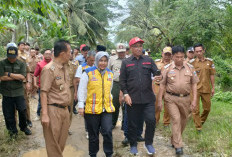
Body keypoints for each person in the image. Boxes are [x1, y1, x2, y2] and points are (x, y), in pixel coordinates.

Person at [119, 37, 162, 155]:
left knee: (151, 120)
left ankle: (149, 143)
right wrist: (126, 94)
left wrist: (159, 77)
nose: (139, 48)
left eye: (140, 46)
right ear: (131, 48)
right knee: (133, 124)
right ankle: (133, 145)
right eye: (136, 46)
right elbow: (122, 81)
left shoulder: (148, 60)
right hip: (132, 99)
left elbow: (156, 73)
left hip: (148, 98)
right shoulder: (126, 62)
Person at [157, 46, 198, 155]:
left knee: (184, 120)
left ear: (184, 56)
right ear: (173, 56)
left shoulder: (190, 68)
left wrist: (194, 100)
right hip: (171, 98)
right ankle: (178, 145)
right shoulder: (167, 68)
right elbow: (162, 85)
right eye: (177, 57)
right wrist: (159, 101)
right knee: (176, 119)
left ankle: (174, 138)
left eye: (181, 57)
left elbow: (194, 84)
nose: (179, 59)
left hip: (186, 98)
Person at [78, 51, 115, 157]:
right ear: (97, 61)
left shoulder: (110, 74)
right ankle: (93, 154)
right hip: (92, 109)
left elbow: (109, 90)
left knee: (107, 131)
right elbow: (82, 90)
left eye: (105, 61)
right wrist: (81, 105)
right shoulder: (88, 72)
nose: (103, 63)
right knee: (93, 135)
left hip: (106, 109)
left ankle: (109, 153)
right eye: (101, 61)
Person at [40, 40, 71, 157]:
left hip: (65, 110)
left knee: (61, 144)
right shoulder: (48, 69)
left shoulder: (64, 68)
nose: (70, 55)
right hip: (53, 110)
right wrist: (44, 114)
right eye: (69, 52)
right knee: (53, 145)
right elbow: (43, 93)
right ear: (63, 53)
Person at [0, 43, 32, 137]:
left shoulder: (21, 63)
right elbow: (2, 78)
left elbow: (22, 77)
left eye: (13, 57)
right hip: (6, 92)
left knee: (22, 110)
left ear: (16, 55)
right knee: (8, 114)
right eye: (10, 57)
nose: (12, 59)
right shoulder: (2, 63)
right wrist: (16, 77)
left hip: (18, 92)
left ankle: (23, 127)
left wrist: (9, 74)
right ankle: (13, 131)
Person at [190, 43, 216, 132]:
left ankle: (200, 121)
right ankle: (198, 128)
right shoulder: (191, 63)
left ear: (204, 50)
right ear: (194, 52)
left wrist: (213, 87)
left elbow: (212, 75)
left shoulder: (210, 62)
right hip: (195, 89)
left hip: (206, 88)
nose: (199, 53)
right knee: (195, 109)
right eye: (197, 51)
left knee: (207, 108)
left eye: (200, 51)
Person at [74, 50, 96, 138]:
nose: (93, 62)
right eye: (91, 60)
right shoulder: (81, 67)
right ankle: (88, 130)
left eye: (94, 60)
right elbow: (77, 79)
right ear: (87, 58)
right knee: (87, 113)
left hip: (94, 93)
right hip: (85, 93)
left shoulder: (97, 67)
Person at [153, 46, 172, 127]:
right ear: (162, 54)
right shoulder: (157, 63)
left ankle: (166, 123)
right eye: (165, 54)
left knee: (168, 105)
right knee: (157, 104)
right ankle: (155, 121)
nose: (167, 56)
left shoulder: (173, 64)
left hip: (169, 87)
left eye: (169, 54)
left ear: (171, 55)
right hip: (158, 86)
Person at [34, 49, 52, 120]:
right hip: (42, 86)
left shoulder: (54, 63)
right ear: (43, 55)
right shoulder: (40, 64)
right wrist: (35, 83)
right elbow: (35, 75)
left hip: (52, 87)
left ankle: (49, 114)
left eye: (49, 54)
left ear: (51, 55)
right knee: (41, 101)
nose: (47, 55)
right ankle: (38, 114)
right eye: (46, 54)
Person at [17, 41, 33, 128]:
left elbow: (28, 70)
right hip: (14, 81)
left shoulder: (26, 55)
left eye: (24, 45)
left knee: (25, 102)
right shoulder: (16, 54)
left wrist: (28, 82)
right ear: (18, 46)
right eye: (22, 45)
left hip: (23, 81)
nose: (23, 47)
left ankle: (28, 119)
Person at [67, 51, 78, 135]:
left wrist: (75, 92)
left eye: (71, 53)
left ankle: (67, 128)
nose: (70, 55)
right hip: (60, 90)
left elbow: (75, 80)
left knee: (69, 109)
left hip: (70, 89)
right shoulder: (59, 65)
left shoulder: (74, 66)